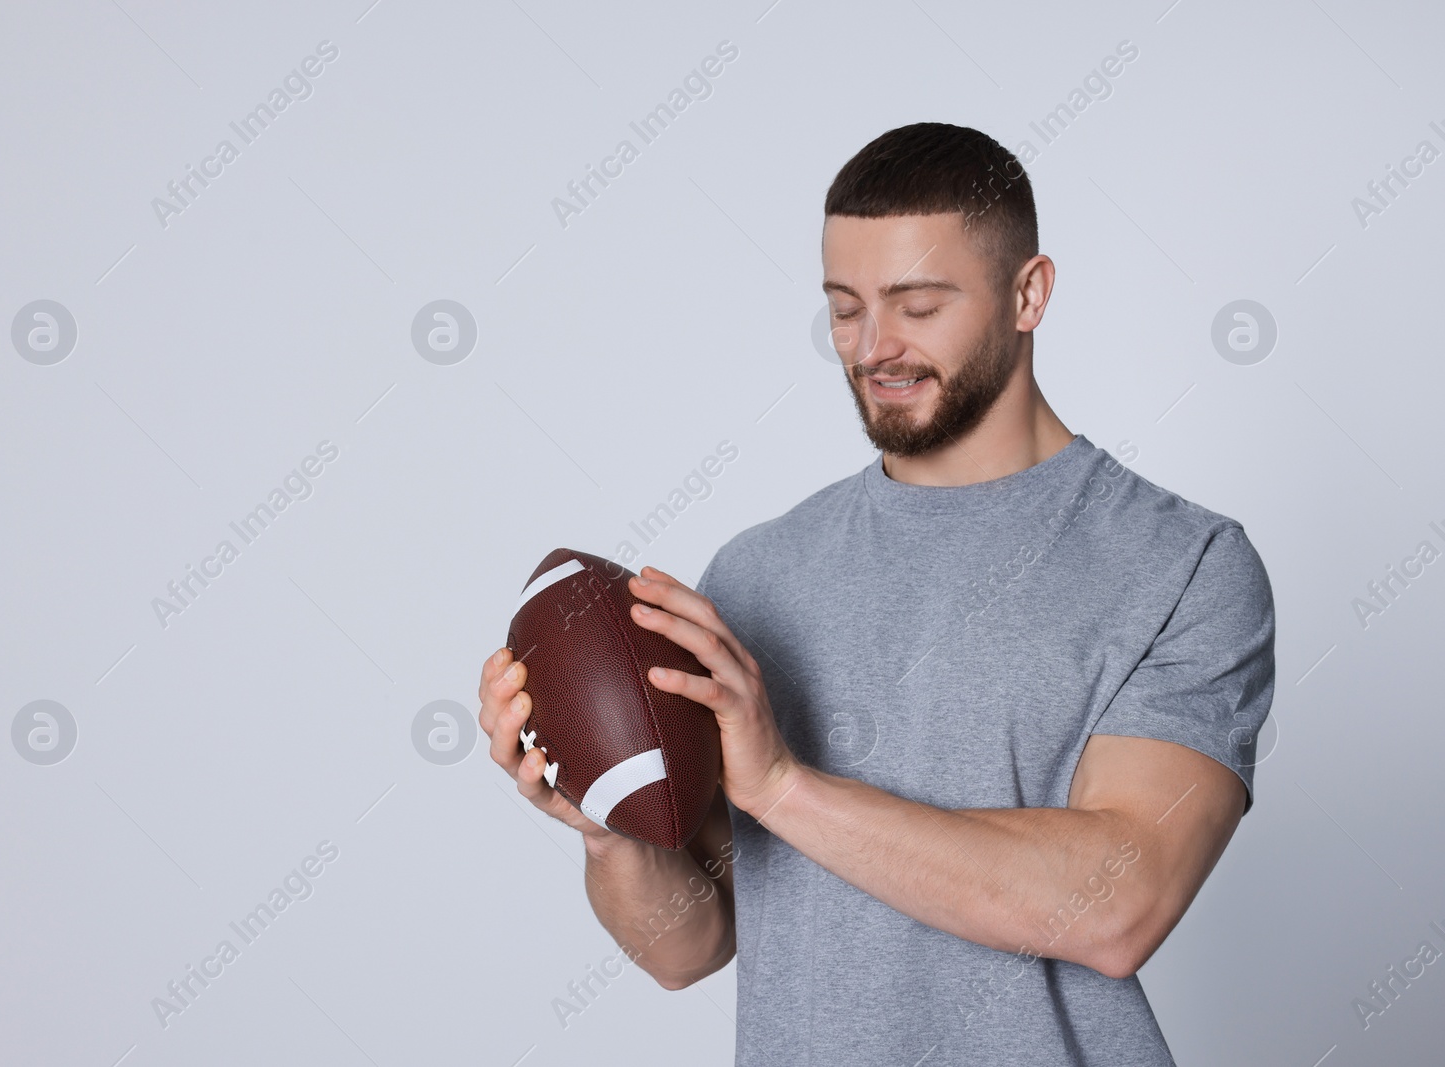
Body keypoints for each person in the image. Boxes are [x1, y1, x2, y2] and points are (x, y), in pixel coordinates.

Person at [477, 122, 1275, 1066]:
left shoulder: (1183, 563)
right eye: (844, 307)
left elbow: (1116, 906)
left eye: (918, 305)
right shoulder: (758, 573)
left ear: (1030, 294)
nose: (873, 346)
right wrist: (612, 832)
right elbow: (688, 947)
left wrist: (782, 784)